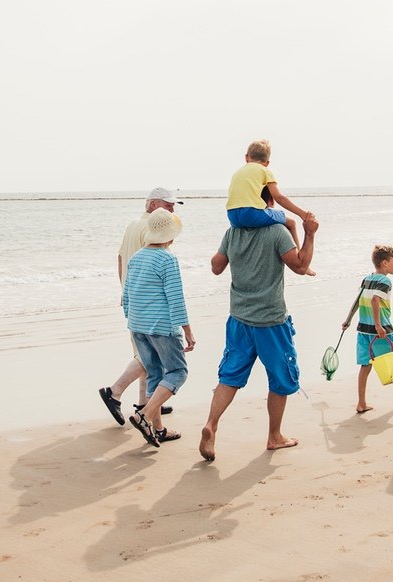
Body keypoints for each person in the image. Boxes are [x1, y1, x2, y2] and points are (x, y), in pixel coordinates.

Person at [198, 214, 319, 462]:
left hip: (238, 319)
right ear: (268, 204)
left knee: (229, 376)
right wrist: (310, 233)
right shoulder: (276, 232)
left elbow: (216, 267)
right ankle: (274, 436)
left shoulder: (233, 232)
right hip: (271, 322)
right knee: (280, 380)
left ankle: (211, 424)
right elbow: (300, 267)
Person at [99, 187, 181, 426]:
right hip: (149, 302)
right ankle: (115, 391)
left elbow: (121, 258)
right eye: (168, 205)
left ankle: (146, 404)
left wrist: (125, 291)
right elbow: (160, 270)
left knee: (146, 355)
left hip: (134, 298)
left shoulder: (133, 224)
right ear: (153, 205)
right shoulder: (153, 229)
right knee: (148, 355)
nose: (172, 210)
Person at [123, 208, 195, 447]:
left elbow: (127, 294)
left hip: (138, 325)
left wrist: (132, 319)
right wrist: (187, 331)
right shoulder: (167, 259)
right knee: (178, 372)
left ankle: (158, 429)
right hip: (162, 327)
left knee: (154, 374)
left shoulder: (136, 257)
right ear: (171, 236)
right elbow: (176, 298)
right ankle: (143, 415)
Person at [341, 245, 393, 414]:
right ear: (385, 263)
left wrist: (348, 320)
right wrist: (378, 325)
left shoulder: (367, 278)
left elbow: (358, 300)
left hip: (363, 330)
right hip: (381, 330)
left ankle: (361, 403)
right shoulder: (385, 281)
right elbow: (375, 300)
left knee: (365, 365)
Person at [226, 139, 314, 263]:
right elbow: (279, 197)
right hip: (251, 214)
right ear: (267, 163)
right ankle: (300, 259)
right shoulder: (265, 171)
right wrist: (302, 214)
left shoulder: (237, 172)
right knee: (291, 223)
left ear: (246, 157)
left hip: (232, 217)